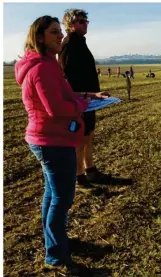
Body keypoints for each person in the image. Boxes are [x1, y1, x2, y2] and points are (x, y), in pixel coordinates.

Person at [15, 15, 90, 274]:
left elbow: (59, 96)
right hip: (52, 140)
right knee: (62, 197)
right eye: (54, 32)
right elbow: (56, 108)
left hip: (46, 138)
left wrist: (86, 96)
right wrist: (81, 105)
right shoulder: (44, 67)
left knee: (52, 193)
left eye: (60, 31)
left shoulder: (42, 63)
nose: (60, 36)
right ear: (39, 37)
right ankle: (56, 256)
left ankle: (55, 242)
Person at [59, 9, 111, 188]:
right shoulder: (68, 45)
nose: (85, 23)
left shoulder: (80, 42)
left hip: (89, 99)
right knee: (80, 140)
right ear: (70, 25)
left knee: (89, 135)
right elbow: (65, 77)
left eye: (86, 21)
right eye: (81, 21)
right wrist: (80, 98)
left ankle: (91, 171)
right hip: (80, 101)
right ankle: (79, 177)